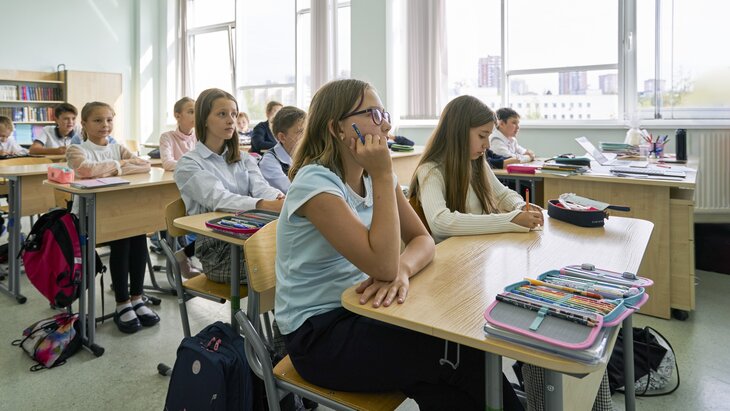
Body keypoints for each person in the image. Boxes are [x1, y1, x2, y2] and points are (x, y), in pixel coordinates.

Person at [274, 79, 523, 410]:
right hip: (320, 335)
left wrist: (404, 269)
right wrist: (382, 176)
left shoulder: (374, 177)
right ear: (336, 127)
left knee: (451, 375)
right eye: (373, 114)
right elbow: (382, 265)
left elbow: (422, 240)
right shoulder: (315, 183)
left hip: (366, 309)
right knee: (459, 354)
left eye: (384, 113)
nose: (386, 125)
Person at [174, 88, 284, 284]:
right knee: (288, 265)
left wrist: (279, 198)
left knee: (297, 257)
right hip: (218, 251)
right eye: (222, 114)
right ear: (204, 119)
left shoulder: (243, 158)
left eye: (234, 114)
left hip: (252, 236)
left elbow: (261, 187)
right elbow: (219, 198)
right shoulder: (188, 164)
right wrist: (264, 205)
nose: (231, 120)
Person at [65, 102, 156, 334]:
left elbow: (144, 165)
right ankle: (122, 303)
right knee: (122, 240)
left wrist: (114, 166)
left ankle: (137, 298)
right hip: (90, 217)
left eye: (109, 120)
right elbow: (85, 170)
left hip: (121, 211)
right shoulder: (76, 149)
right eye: (97, 120)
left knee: (138, 237)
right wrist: (121, 165)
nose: (105, 125)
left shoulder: (118, 148)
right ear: (84, 124)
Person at [408, 96, 543, 244]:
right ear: (458, 133)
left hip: (478, 247)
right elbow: (440, 222)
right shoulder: (430, 170)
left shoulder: (476, 163)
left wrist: (520, 206)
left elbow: (503, 195)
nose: (487, 145)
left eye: (488, 136)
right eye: (482, 136)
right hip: (454, 253)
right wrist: (510, 220)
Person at [158, 96, 200, 278]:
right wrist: (194, 165)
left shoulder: (199, 136)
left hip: (195, 187)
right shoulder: (167, 137)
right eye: (190, 111)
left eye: (196, 111)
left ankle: (185, 255)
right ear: (177, 115)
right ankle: (183, 258)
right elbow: (167, 163)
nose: (195, 115)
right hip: (174, 188)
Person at [258, 105, 305, 193]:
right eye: (300, 132)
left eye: (307, 131)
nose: (306, 136)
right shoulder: (269, 162)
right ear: (282, 137)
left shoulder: (306, 155)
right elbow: (292, 190)